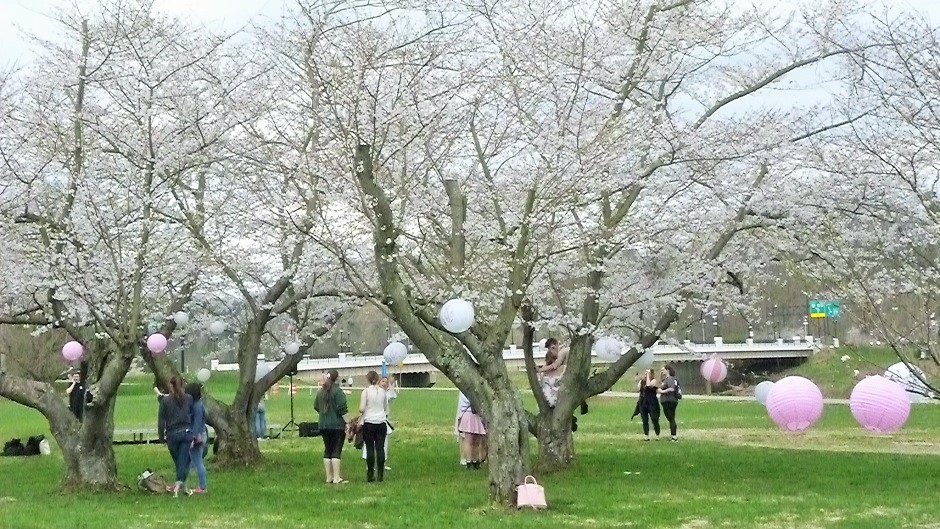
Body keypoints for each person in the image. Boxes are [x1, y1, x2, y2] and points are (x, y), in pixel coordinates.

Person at [157, 375, 194, 497]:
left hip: (172, 434)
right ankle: (182, 486)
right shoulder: (189, 399)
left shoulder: (165, 401)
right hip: (186, 432)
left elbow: (161, 420)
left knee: (179, 461)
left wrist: (161, 436)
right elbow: (192, 415)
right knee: (183, 461)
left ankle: (180, 486)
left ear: (171, 386)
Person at [538, 338, 589, 415]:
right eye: (550, 349)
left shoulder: (563, 352)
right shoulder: (563, 351)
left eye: (552, 348)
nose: (551, 351)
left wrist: (540, 369)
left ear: (556, 345)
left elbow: (555, 365)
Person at [314, 369, 348, 484]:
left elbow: (316, 406)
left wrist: (324, 414)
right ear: (337, 378)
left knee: (327, 450)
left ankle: (329, 477)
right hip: (337, 425)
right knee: (336, 450)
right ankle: (337, 477)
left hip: (323, 424)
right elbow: (342, 409)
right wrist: (348, 422)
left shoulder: (321, 391)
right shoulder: (338, 392)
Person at [359, 371, 389, 482]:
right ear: (377, 379)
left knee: (370, 448)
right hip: (381, 422)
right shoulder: (383, 392)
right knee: (380, 448)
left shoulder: (366, 392)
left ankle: (370, 473)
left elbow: (362, 408)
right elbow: (385, 407)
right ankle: (380, 474)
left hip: (369, 422)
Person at [363, 376, 396, 470]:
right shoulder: (371, 392)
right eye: (382, 381)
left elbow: (392, 395)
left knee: (382, 446)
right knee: (370, 446)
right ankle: (370, 465)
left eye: (386, 382)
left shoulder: (386, 394)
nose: (384, 383)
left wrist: (391, 384)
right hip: (371, 421)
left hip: (382, 421)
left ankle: (382, 464)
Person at [185, 383, 208, 493]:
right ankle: (184, 482)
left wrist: (194, 437)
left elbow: (197, 423)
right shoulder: (198, 404)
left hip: (198, 436)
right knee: (190, 461)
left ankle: (202, 486)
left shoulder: (197, 406)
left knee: (198, 461)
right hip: (200, 434)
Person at [456, 392, 486, 470]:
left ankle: (475, 460)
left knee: (476, 441)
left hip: (477, 415)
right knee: (469, 440)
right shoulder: (466, 391)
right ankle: (469, 461)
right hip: (469, 414)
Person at [637, 369, 661, 441]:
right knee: (644, 420)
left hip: (652, 402)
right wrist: (641, 380)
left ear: (651, 374)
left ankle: (657, 434)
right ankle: (646, 436)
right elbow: (638, 388)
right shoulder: (643, 381)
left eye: (647, 373)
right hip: (643, 402)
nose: (646, 375)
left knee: (654, 419)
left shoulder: (654, 381)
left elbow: (649, 385)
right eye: (645, 373)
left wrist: (647, 377)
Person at [659, 364, 680, 441]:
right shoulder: (665, 379)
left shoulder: (670, 379)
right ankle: (673, 435)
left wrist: (662, 391)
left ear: (667, 370)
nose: (662, 371)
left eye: (663, 370)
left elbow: (672, 389)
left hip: (669, 401)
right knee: (671, 418)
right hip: (667, 401)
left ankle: (674, 436)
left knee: (671, 418)